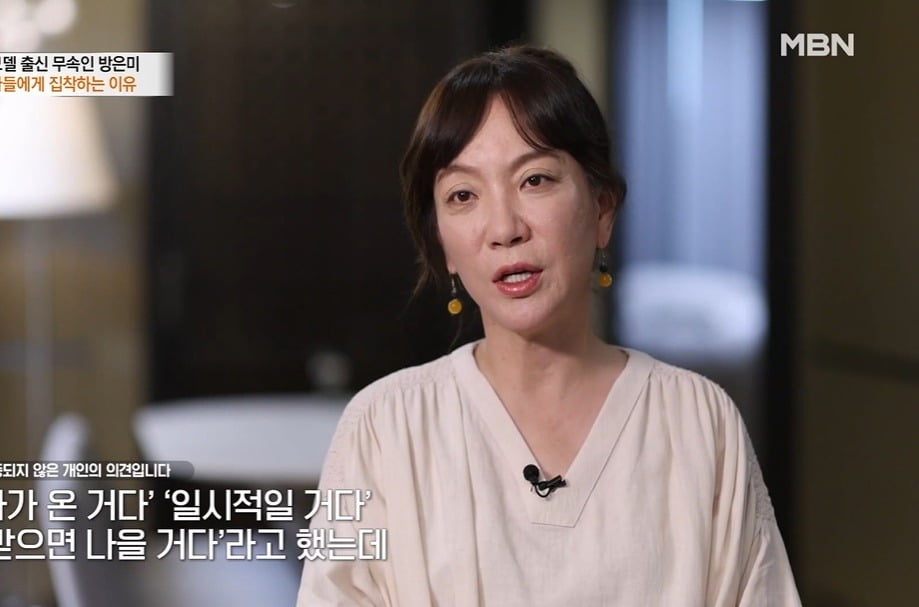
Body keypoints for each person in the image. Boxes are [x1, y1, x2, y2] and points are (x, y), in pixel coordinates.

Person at [296, 45, 800, 606]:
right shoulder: (384, 427)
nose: (504, 228)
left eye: (534, 180)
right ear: (444, 245)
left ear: (602, 209)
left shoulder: (698, 421)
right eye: (462, 195)